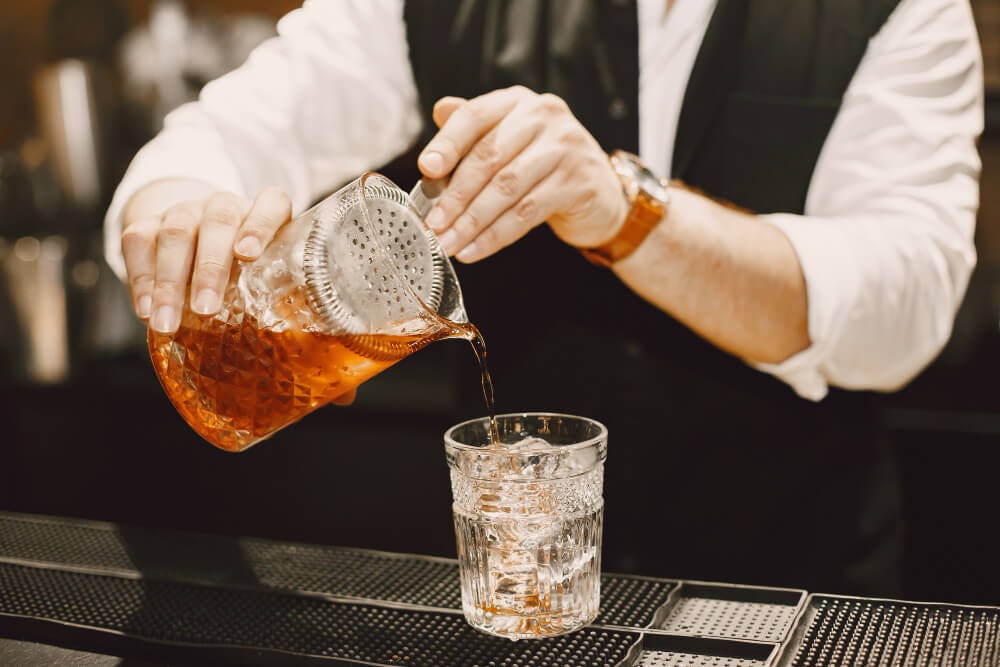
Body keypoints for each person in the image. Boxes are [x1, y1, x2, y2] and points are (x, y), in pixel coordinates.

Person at [103, 0, 983, 596]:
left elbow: (907, 307)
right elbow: (234, 133)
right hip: (512, 588)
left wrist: (622, 211)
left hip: (784, 578)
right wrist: (179, 214)